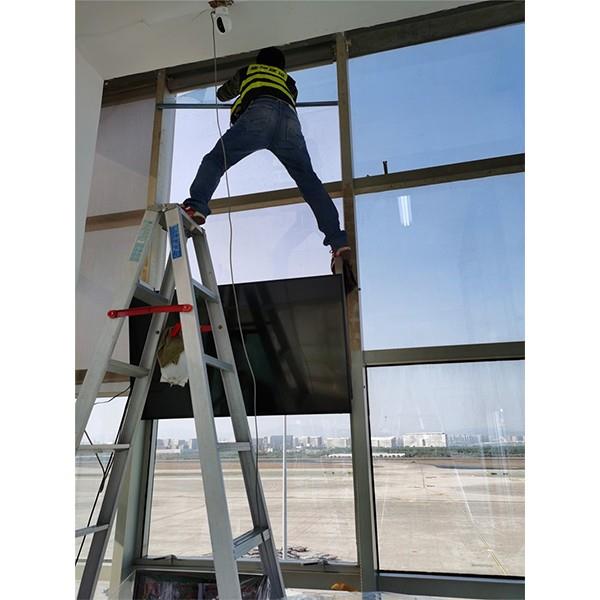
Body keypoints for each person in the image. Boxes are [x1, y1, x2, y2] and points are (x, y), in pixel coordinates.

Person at [182, 46, 353, 273]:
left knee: (216, 160)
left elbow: (223, 94)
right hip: (290, 121)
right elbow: (291, 97)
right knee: (309, 182)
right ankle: (338, 241)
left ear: (259, 61)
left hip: (259, 112)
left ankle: (196, 206)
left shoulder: (249, 70)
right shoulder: (288, 81)